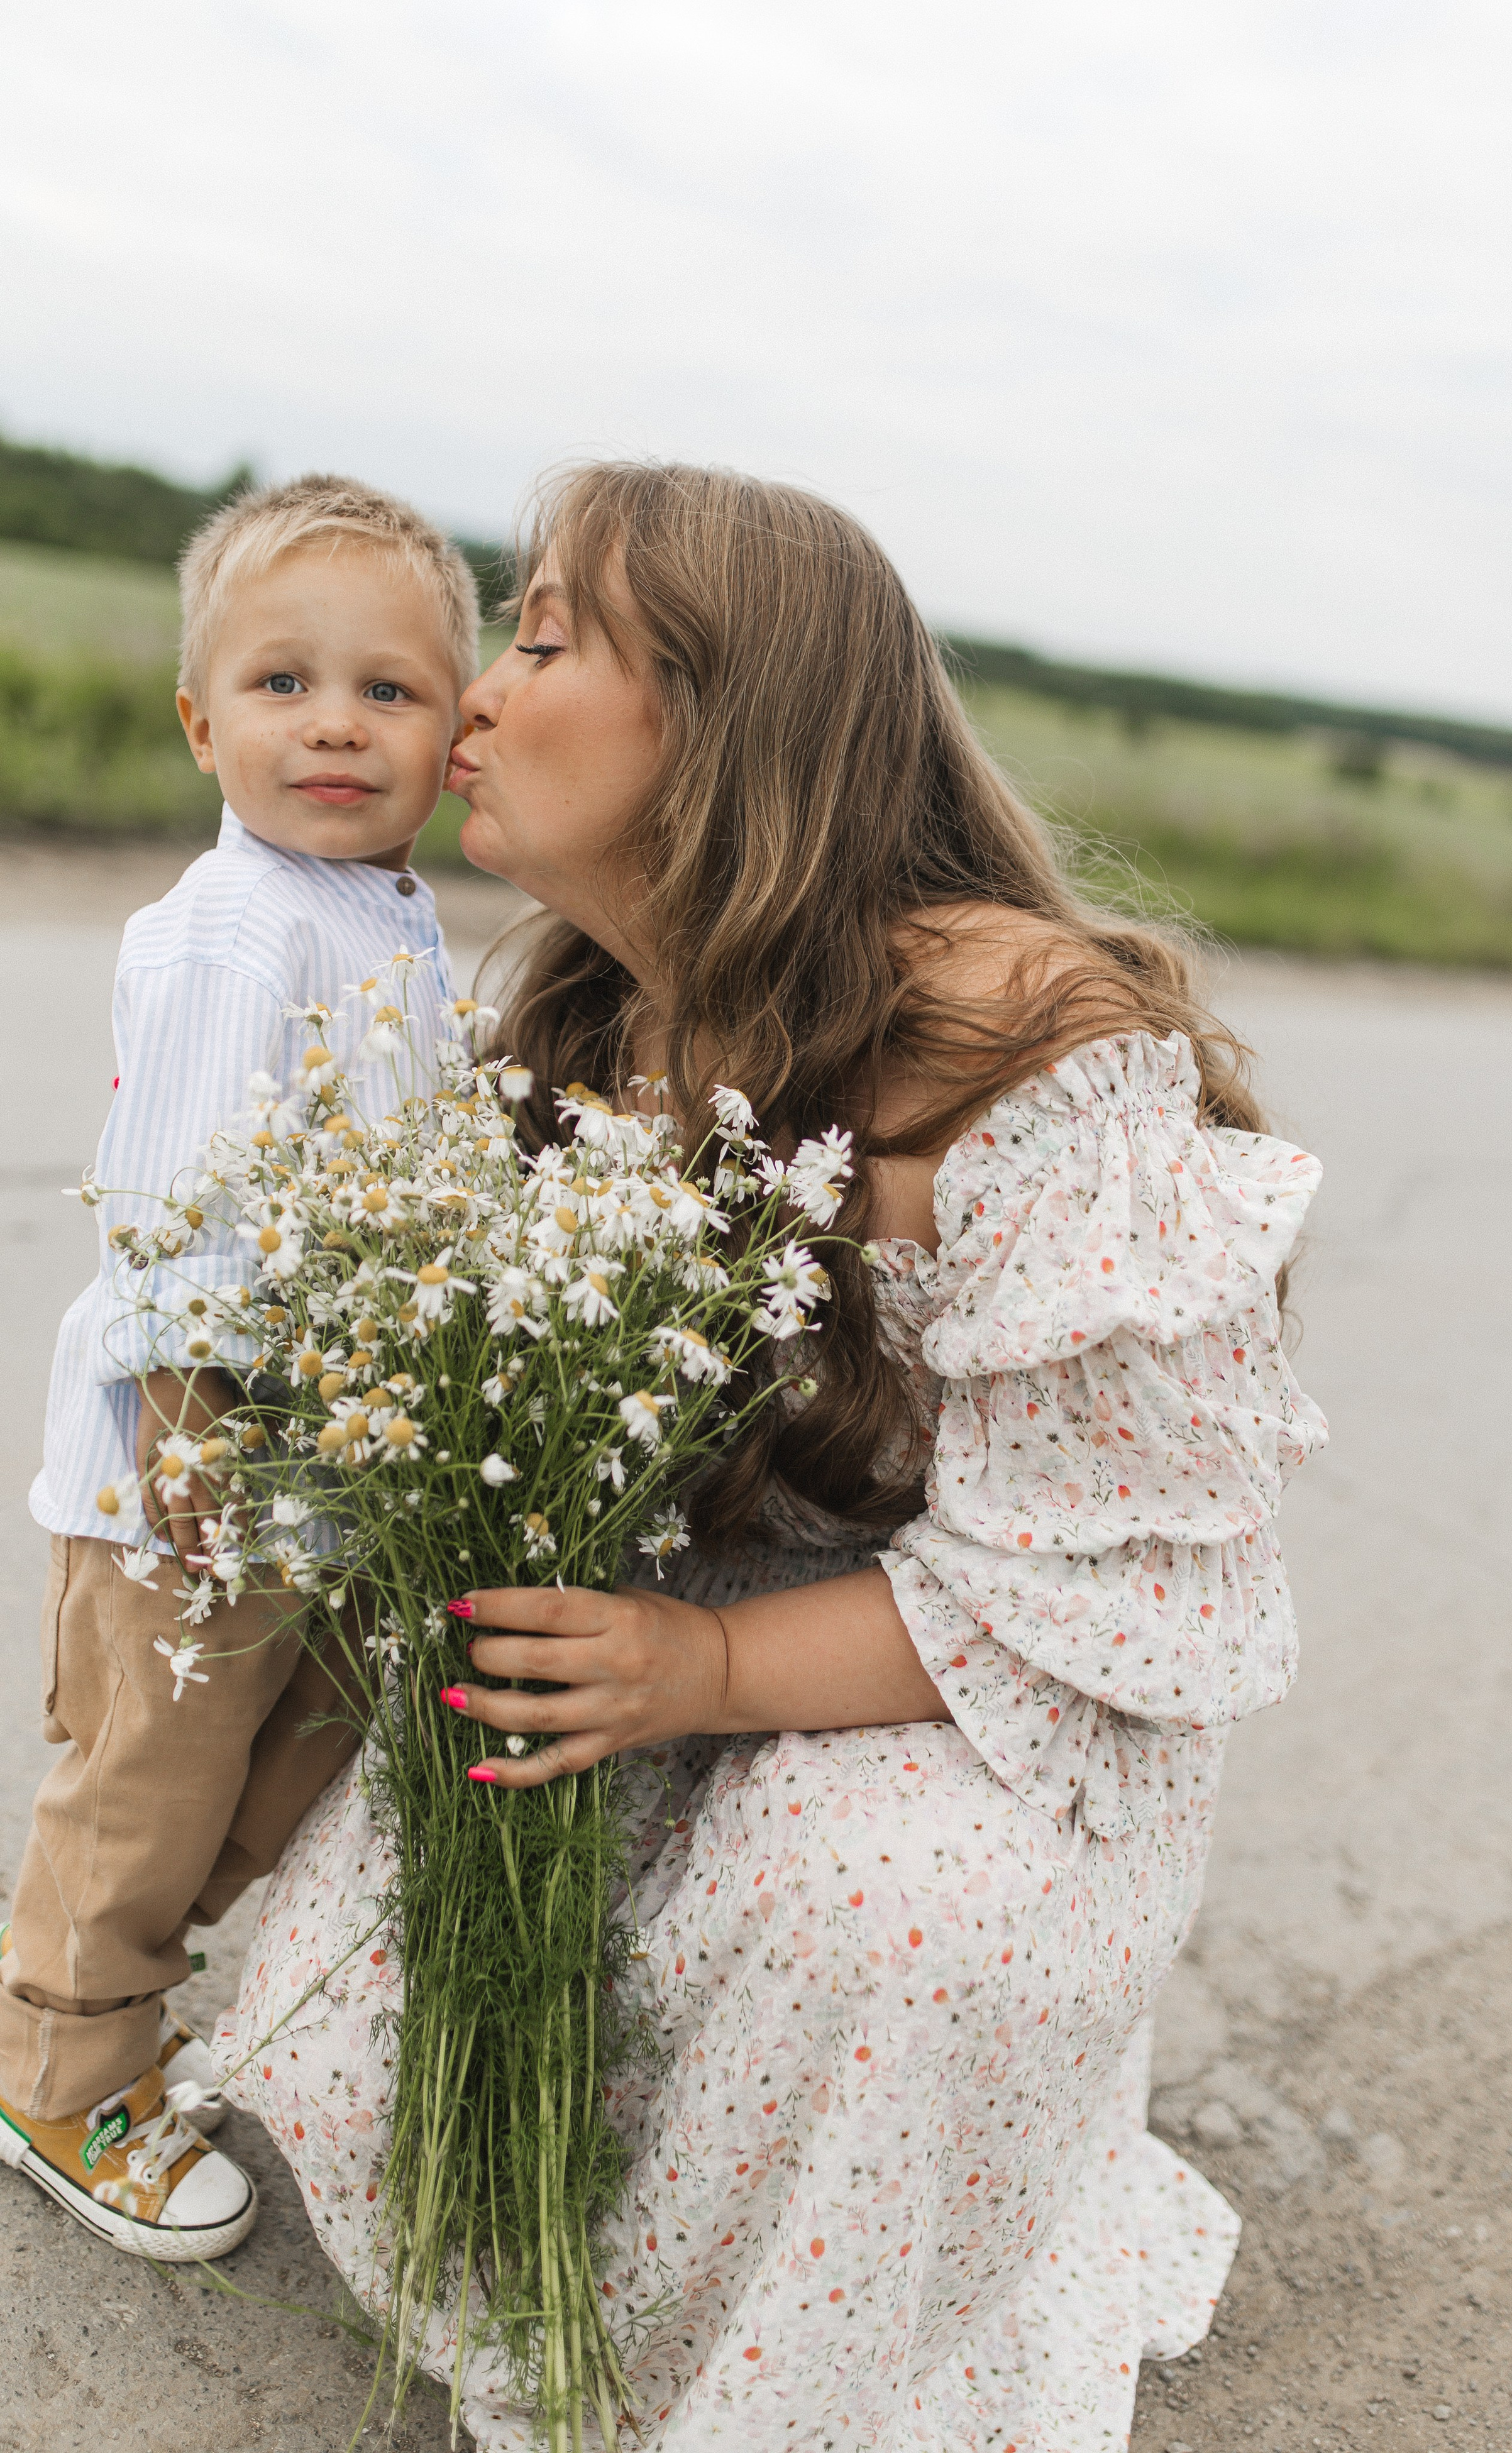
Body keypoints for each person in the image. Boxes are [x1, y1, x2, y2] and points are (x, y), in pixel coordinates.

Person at [218, 461, 1327, 2449]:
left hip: (995, 1701)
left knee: (864, 1918)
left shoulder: (1023, 1049)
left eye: (544, 634)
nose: (467, 691)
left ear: (730, 721)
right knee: (390, 1914)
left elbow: (1114, 1597)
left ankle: (794, 2360)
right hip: (700, 1634)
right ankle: (574, 2289)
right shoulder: (585, 1024)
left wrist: (714, 1676)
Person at [0, 477, 477, 2260]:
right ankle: (63, 2078)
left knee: (283, 1763)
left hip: (319, 1470)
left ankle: (59, 1979)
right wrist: (199, 1433)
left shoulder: (381, 913)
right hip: (187, 1477)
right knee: (153, 1777)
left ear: (455, 735)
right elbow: (177, 1203)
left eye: (390, 690)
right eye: (282, 683)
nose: (336, 723)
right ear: (201, 722)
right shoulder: (240, 926)